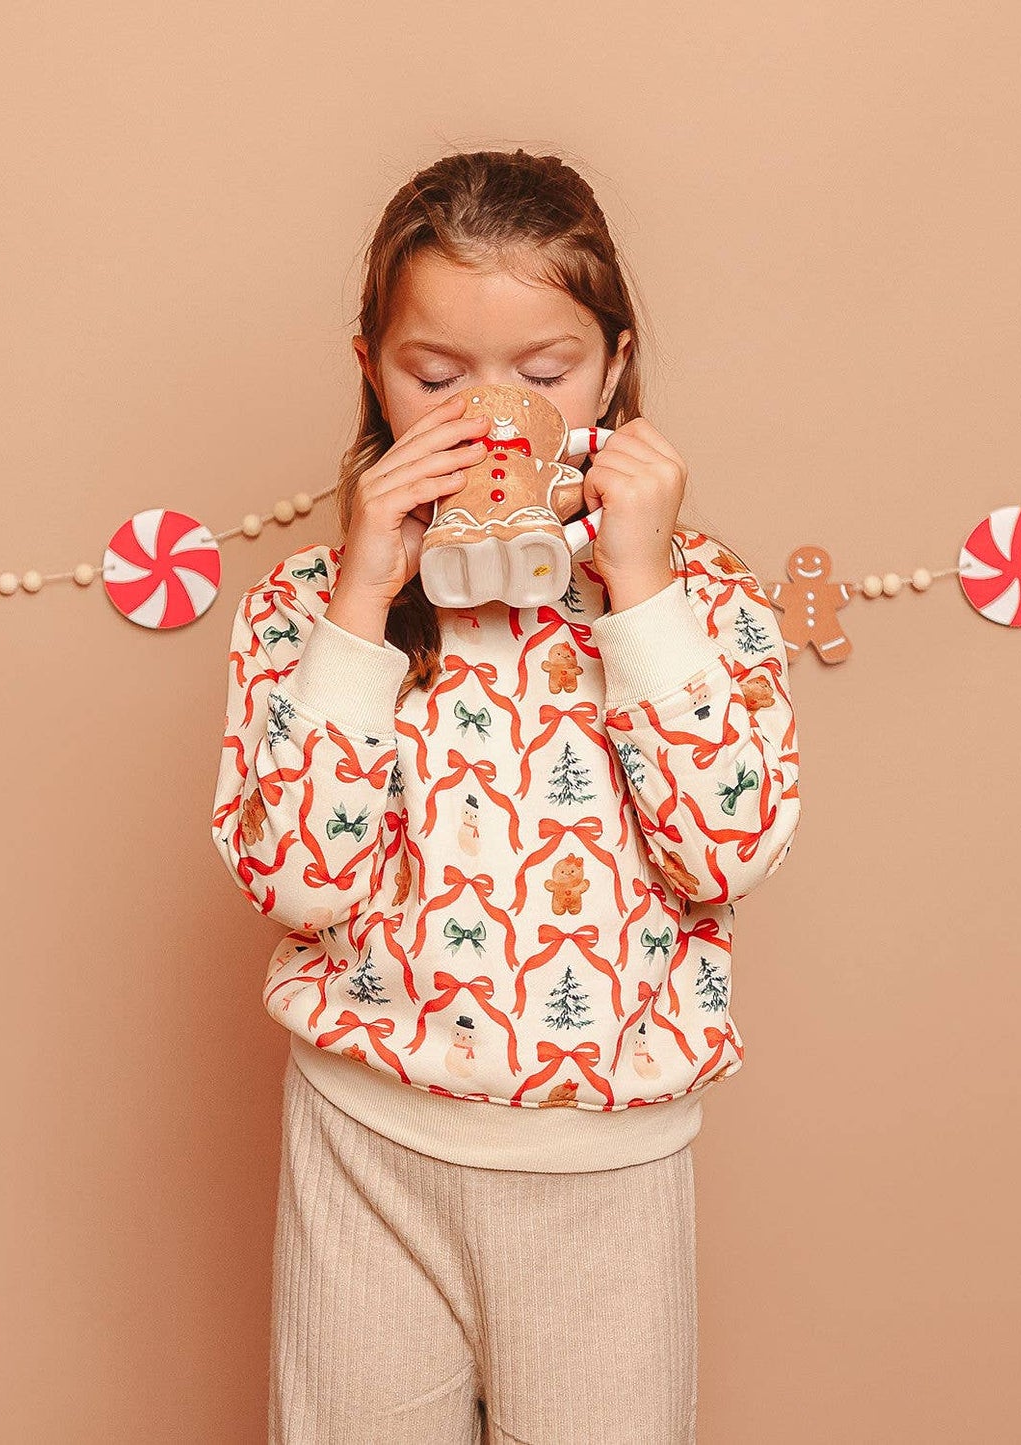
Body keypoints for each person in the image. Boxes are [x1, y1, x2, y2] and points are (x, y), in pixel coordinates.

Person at [210, 148, 802, 1445]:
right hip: (363, 1147)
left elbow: (727, 850)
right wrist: (364, 600)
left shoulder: (700, 600)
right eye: (436, 377)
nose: (491, 416)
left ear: (613, 369)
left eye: (543, 374)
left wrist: (641, 591)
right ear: (371, 367)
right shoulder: (308, 608)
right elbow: (299, 881)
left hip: (603, 1175)